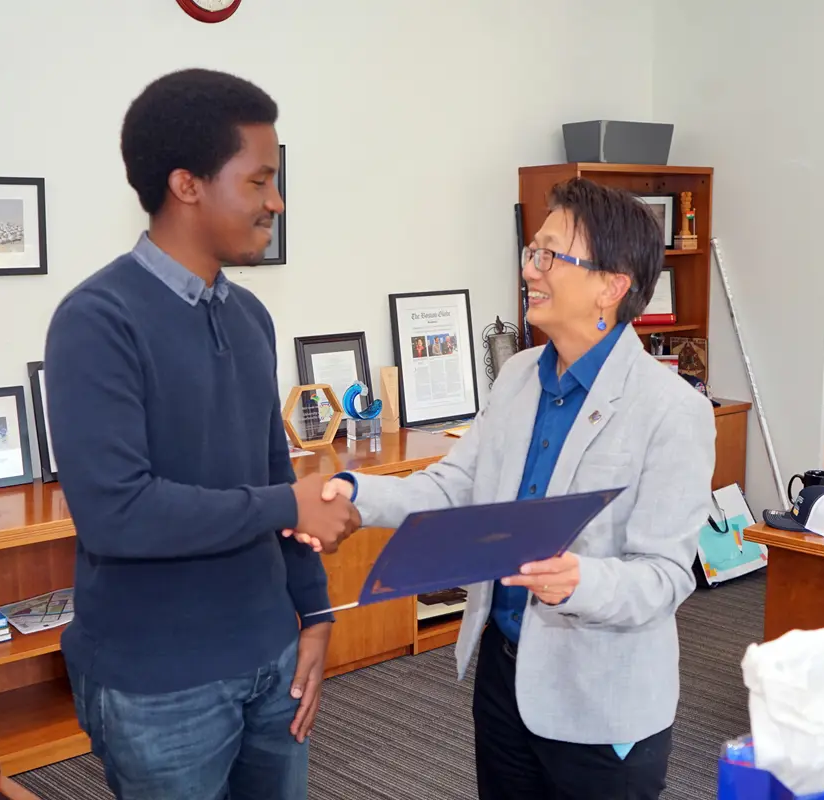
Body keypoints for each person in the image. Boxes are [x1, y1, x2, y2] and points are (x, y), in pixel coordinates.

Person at [289, 177, 716, 799]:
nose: (530, 272)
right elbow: (457, 485)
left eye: (550, 257)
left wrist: (581, 581)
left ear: (611, 285)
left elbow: (666, 575)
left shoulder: (671, 410)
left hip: (602, 704)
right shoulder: (518, 376)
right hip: (506, 674)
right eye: (531, 254)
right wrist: (354, 491)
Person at [43, 68, 360, 800]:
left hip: (271, 654)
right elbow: (119, 514)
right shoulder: (97, 321)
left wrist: (313, 614)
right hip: (160, 682)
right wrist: (290, 506)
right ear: (187, 184)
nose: (276, 201)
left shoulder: (250, 319)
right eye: (259, 181)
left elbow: (274, 471)